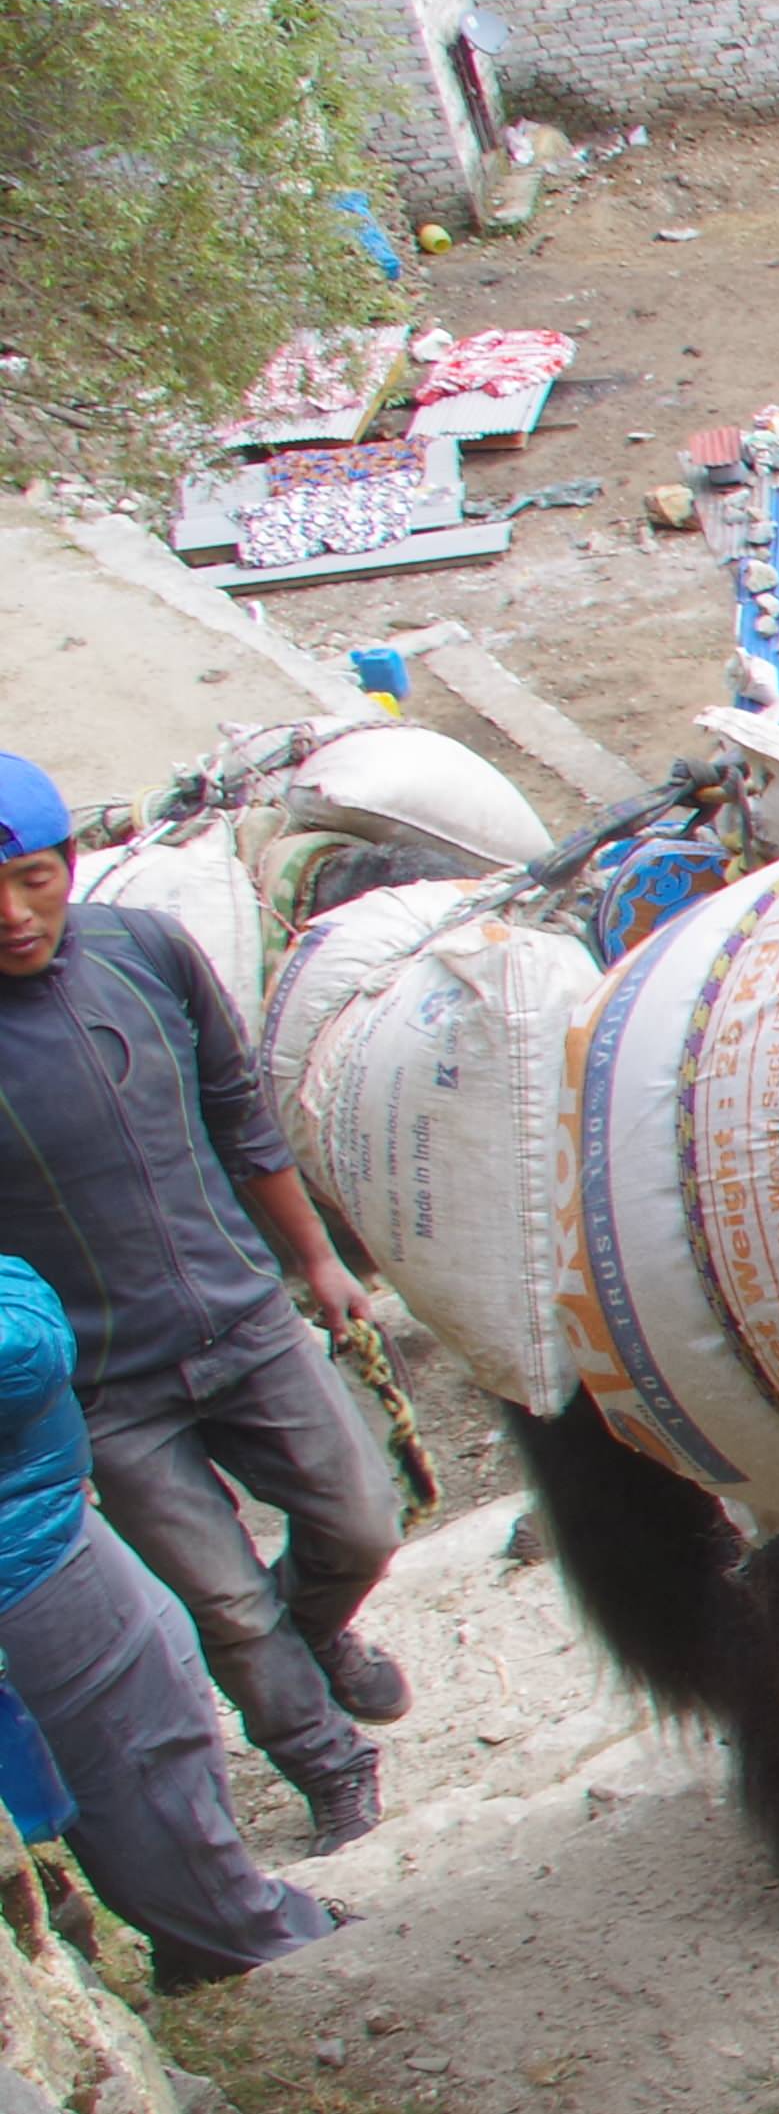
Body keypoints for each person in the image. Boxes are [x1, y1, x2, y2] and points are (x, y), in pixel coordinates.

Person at [0, 753, 406, 1849]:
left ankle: (315, 1636)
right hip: (103, 1387)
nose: (10, 913)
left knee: (362, 1522)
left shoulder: (148, 956)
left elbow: (240, 1114)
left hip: (243, 1318)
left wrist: (318, 1262)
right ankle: (328, 1763)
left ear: (68, 865)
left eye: (31, 878)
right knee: (223, 1602)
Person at [0, 1249, 342, 1986]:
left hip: (45, 1515)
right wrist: (27, 1295)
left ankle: (221, 1929)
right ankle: (265, 1952)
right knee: (142, 1762)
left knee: (173, 1691)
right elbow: (21, 1355)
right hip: (22, 1560)